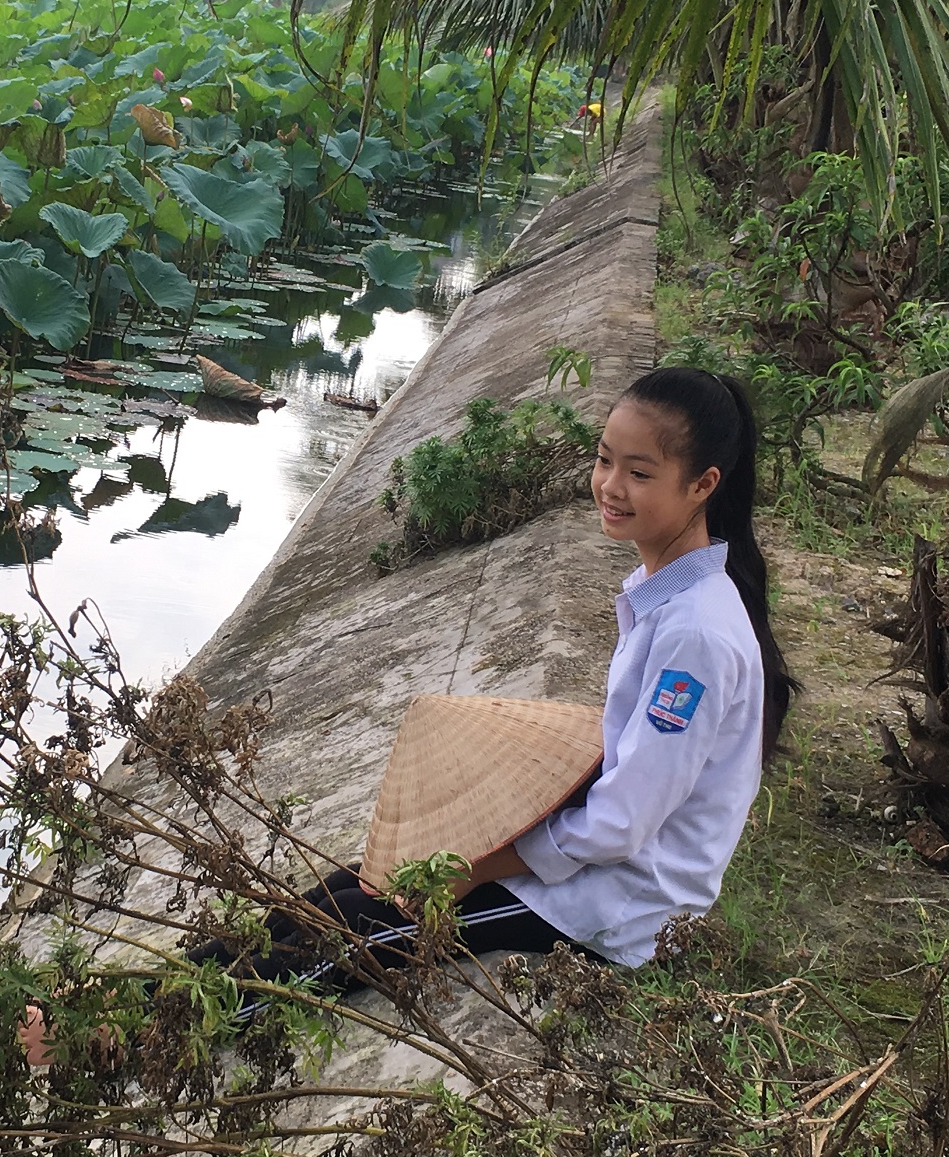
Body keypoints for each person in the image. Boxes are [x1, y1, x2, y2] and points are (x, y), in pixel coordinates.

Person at [205, 366, 797, 1003]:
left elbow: (623, 823)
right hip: (591, 864)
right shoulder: (669, 595)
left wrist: (475, 865)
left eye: (640, 473)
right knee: (350, 887)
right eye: (604, 460)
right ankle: (181, 978)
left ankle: (193, 1008)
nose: (611, 487)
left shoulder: (698, 634)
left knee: (352, 934)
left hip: (619, 905)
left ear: (702, 485)